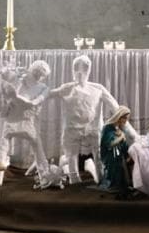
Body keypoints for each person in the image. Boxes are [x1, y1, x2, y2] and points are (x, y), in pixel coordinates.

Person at [48, 55, 137, 184]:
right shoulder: (67, 88)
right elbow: (49, 94)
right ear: (73, 70)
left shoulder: (98, 88)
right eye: (77, 70)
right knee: (72, 155)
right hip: (72, 128)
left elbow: (116, 107)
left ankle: (100, 176)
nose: (80, 73)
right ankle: (73, 177)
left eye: (83, 70)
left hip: (93, 127)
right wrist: (30, 93)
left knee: (99, 154)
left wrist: (129, 130)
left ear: (88, 71)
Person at [0, 60, 52, 191]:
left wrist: (15, 97)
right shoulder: (20, 78)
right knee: (5, 149)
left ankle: (45, 177)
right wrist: (6, 72)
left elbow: (33, 103)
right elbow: (5, 77)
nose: (37, 76)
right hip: (13, 120)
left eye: (39, 74)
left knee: (37, 148)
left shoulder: (43, 88)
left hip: (25, 121)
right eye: (37, 73)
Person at [99, 106, 133, 197]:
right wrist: (121, 137)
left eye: (127, 118)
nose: (126, 120)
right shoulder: (108, 127)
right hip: (110, 155)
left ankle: (120, 184)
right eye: (125, 118)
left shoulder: (118, 129)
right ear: (119, 116)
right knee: (114, 165)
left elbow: (123, 144)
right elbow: (110, 144)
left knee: (121, 167)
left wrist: (127, 154)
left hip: (118, 154)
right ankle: (112, 185)